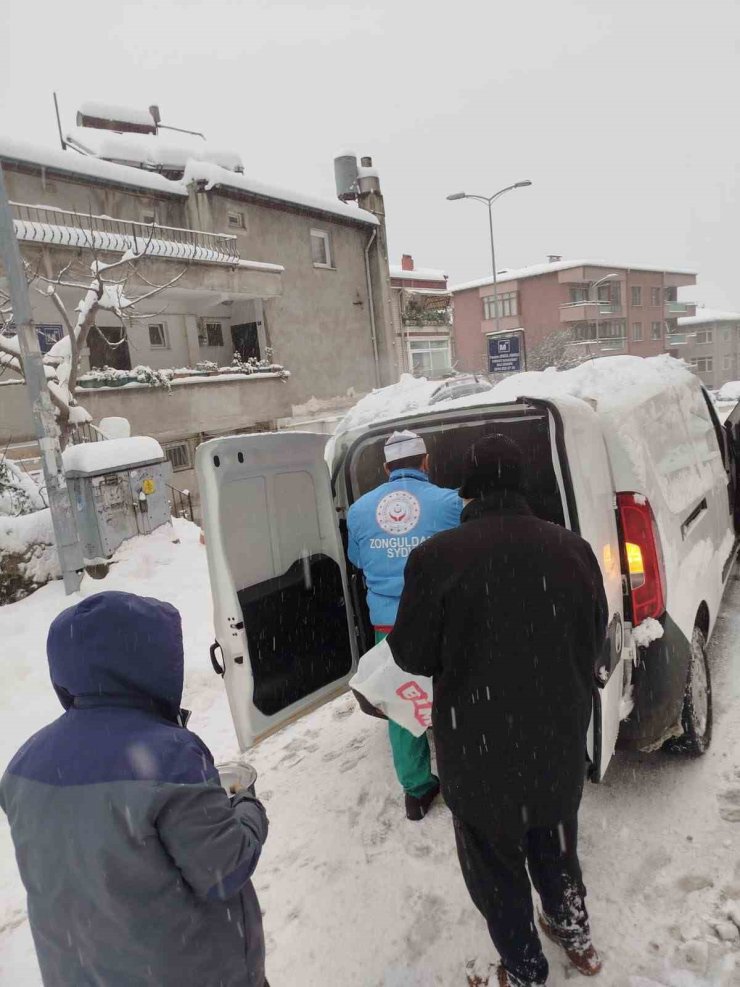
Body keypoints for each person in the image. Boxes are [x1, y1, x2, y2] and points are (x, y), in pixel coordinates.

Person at [388, 434, 608, 987]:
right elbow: (596, 640)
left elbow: (411, 654)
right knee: (555, 843)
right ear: (522, 484)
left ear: (468, 490)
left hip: (479, 748)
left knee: (496, 871)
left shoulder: (437, 559)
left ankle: (524, 968)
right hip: (556, 740)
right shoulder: (572, 549)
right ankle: (574, 934)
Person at [0, 591, 270, 987]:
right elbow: (223, 870)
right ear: (155, 663)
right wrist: (248, 806)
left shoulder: (23, 763)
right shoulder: (171, 757)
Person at [347, 429, 463, 820]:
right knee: (453, 697)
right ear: (425, 462)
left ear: (385, 468)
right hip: (443, 620)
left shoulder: (360, 509)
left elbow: (358, 560)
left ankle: (416, 790)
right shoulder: (450, 503)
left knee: (402, 701)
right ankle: (463, 776)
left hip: (388, 626)